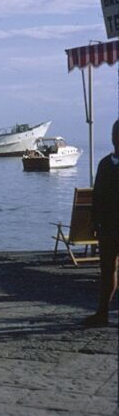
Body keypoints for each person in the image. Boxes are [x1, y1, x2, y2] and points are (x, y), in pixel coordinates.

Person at [85, 119, 119, 327]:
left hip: (109, 225)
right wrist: (95, 222)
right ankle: (102, 312)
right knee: (107, 270)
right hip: (108, 227)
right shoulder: (105, 164)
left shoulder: (106, 165)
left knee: (108, 270)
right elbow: (97, 197)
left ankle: (102, 312)